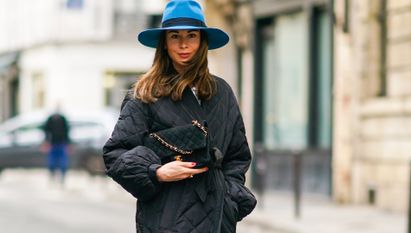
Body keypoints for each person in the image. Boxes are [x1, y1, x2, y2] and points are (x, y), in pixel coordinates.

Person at [103, 1, 256, 232]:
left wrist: (230, 198)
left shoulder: (221, 92)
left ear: (202, 41)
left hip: (216, 219)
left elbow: (237, 155)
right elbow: (115, 154)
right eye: (174, 36)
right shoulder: (145, 93)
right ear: (164, 43)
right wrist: (155, 172)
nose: (183, 44)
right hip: (166, 218)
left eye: (191, 36)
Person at [42, 110, 70, 185]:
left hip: (61, 144)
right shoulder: (50, 120)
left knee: (63, 162)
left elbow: (67, 132)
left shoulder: (63, 119)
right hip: (53, 144)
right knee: (52, 162)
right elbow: (46, 131)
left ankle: (62, 178)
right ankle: (52, 176)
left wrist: (68, 143)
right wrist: (46, 142)